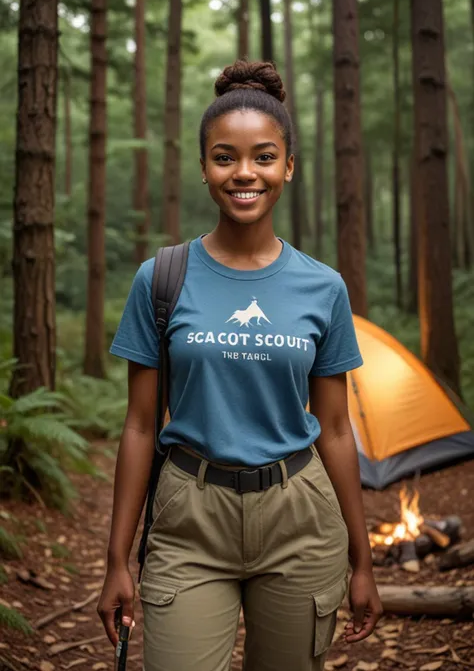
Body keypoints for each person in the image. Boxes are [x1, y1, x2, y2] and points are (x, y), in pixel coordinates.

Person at [98, 60, 383, 671]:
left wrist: (363, 561)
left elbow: (335, 429)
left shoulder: (323, 287)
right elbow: (140, 426)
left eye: (263, 156)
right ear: (204, 169)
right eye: (225, 157)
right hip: (189, 518)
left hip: (300, 517)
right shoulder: (162, 278)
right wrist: (117, 559)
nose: (244, 173)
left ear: (287, 166)